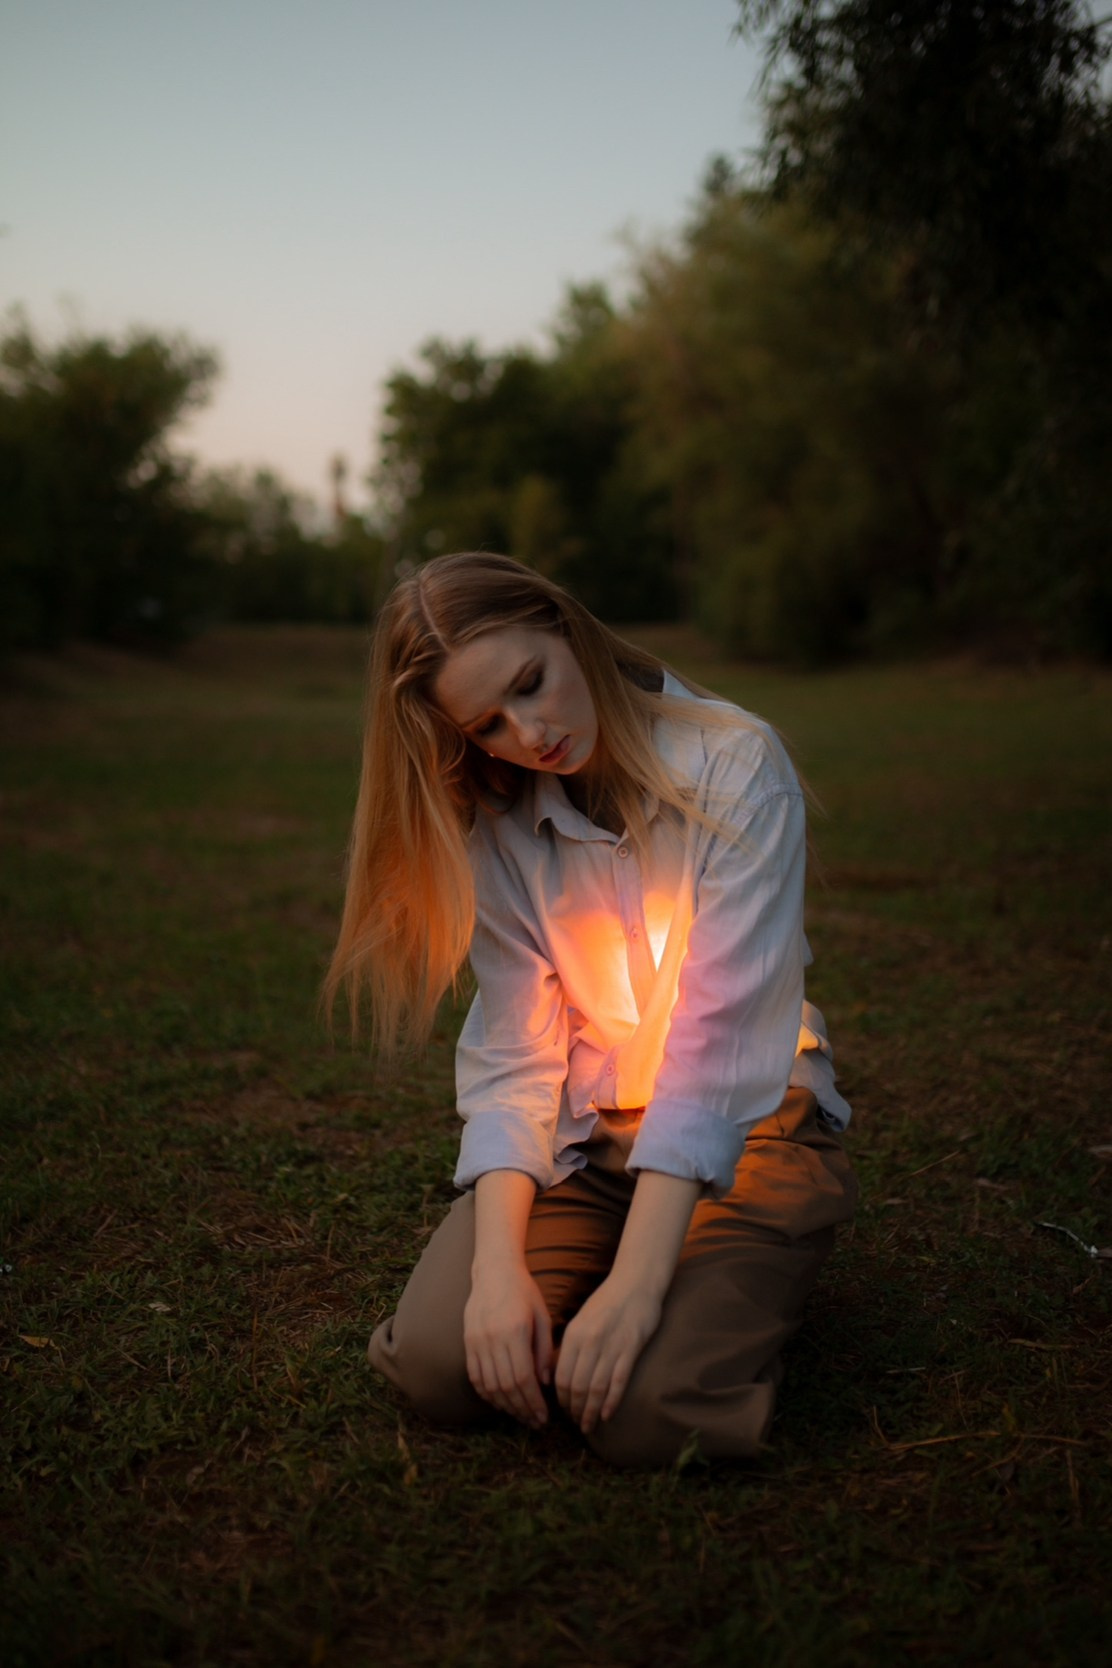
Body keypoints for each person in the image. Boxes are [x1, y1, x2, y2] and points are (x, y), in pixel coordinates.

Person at [327, 551, 856, 1468]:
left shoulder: (735, 764)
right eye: (487, 722)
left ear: (565, 625)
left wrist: (641, 1288)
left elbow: (717, 1047)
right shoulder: (496, 815)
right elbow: (517, 1057)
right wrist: (497, 1274)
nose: (529, 734)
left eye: (532, 684)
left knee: (651, 1416)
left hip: (749, 1129)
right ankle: (600, 1276)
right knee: (439, 1366)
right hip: (589, 1136)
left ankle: (714, 1282)